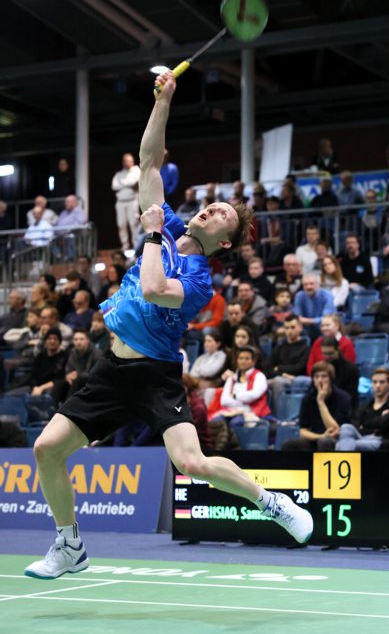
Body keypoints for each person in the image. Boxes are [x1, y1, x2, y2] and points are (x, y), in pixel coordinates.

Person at [25, 70, 312, 580]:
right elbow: (150, 161)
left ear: (225, 241)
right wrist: (164, 101)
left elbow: (156, 288)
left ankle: (271, 503)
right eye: (213, 203)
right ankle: (69, 546)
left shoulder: (201, 279)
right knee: (46, 448)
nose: (213, 206)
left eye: (223, 211)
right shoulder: (171, 223)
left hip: (156, 375)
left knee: (192, 463)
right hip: (112, 368)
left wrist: (153, 234)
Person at [281, 361, 351, 451]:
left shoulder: (343, 398)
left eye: (324, 376)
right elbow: (303, 431)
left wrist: (321, 402)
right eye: (316, 377)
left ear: (331, 379)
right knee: (288, 444)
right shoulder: (308, 398)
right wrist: (321, 436)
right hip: (317, 438)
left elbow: (334, 430)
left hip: (337, 441)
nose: (319, 380)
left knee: (324, 442)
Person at [336, 367, 389, 450]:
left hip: (380, 438)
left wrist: (365, 425)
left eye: (382, 382)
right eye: (375, 382)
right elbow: (357, 426)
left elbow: (384, 425)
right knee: (345, 427)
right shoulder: (365, 406)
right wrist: (379, 421)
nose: (378, 385)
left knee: (341, 445)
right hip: (361, 436)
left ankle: (344, 457)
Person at [264, 314, 310, 400]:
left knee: (277, 382)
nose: (289, 331)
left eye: (292, 327)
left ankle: (278, 412)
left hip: (295, 381)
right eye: (287, 328)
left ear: (300, 328)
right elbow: (267, 367)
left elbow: (299, 368)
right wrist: (282, 374)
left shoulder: (305, 348)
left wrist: (279, 368)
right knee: (260, 383)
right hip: (278, 378)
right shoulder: (280, 347)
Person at [319, 336, 360, 410]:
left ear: (338, 350)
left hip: (345, 409)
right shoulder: (321, 369)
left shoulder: (351, 369)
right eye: (324, 354)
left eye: (330, 353)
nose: (327, 357)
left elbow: (350, 397)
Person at [111, 152, 141, 251]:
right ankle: (125, 246)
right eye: (126, 161)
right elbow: (114, 186)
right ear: (123, 162)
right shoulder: (119, 174)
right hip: (120, 202)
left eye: (130, 161)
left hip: (132, 201)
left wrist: (123, 184)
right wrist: (128, 185)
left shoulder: (137, 170)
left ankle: (136, 246)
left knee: (133, 224)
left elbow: (135, 183)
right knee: (121, 224)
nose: (129, 163)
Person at [293, 272, 335, 340]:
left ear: (318, 284)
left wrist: (308, 321)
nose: (308, 287)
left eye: (311, 284)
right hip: (306, 328)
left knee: (326, 327)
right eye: (305, 284)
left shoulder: (327, 295)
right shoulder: (299, 296)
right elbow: (298, 317)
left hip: (322, 326)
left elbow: (326, 319)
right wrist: (305, 321)